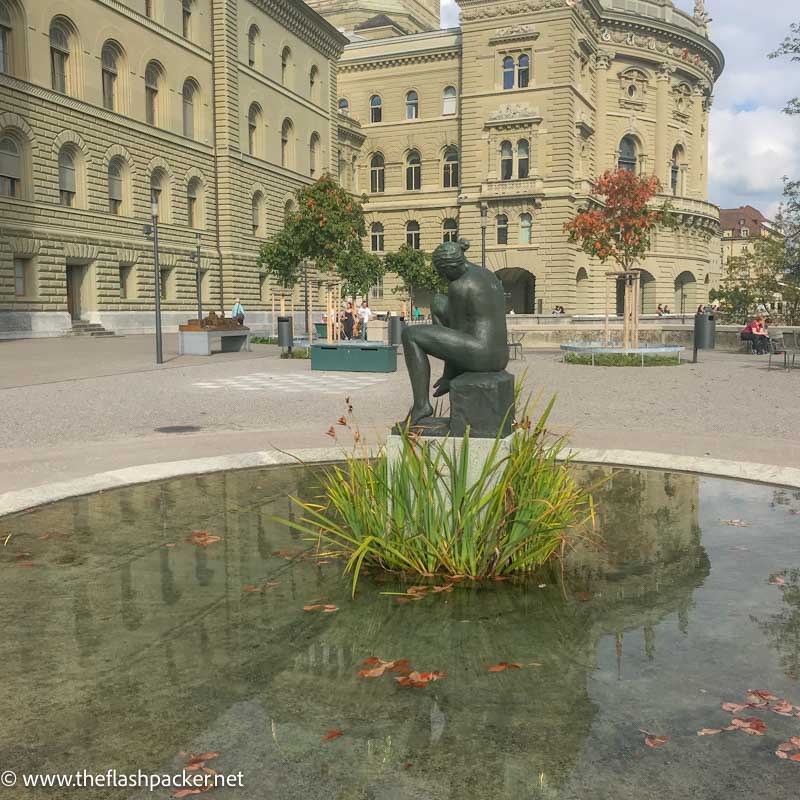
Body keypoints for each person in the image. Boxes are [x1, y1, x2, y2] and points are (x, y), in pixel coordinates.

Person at [401, 239, 508, 425]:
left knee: (410, 335)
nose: (443, 278)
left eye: (442, 273)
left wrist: (449, 375)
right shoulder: (487, 275)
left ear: (448, 268)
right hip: (500, 355)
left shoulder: (460, 285)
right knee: (437, 301)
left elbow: (456, 332)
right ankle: (426, 400)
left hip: (482, 355)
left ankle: (421, 405)